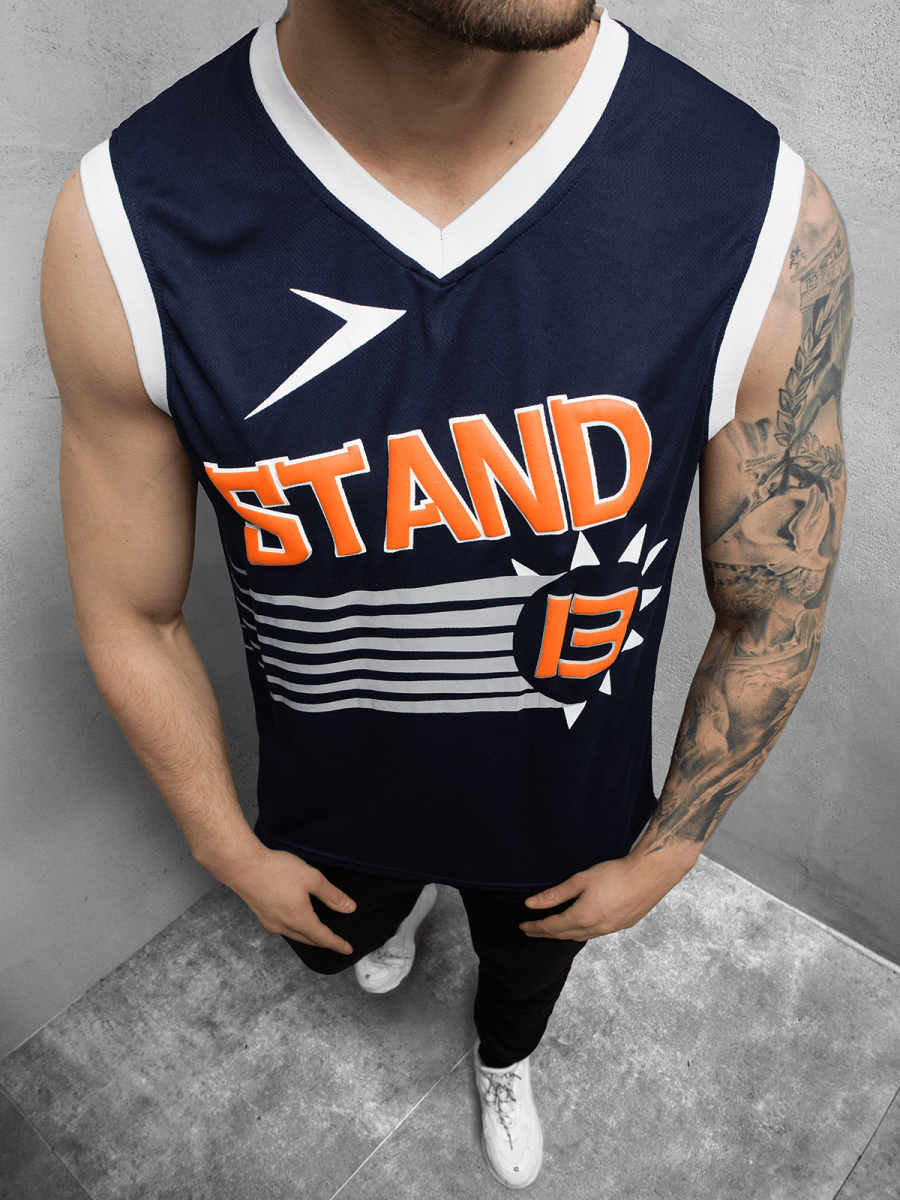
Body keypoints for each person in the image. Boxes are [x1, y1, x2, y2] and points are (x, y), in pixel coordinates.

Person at [41, 0, 850, 1188]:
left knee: (523, 985)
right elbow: (132, 613)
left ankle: (503, 1060)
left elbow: (775, 599)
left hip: (562, 817)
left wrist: (671, 850)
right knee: (340, 942)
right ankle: (406, 906)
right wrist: (225, 846)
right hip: (334, 806)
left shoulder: (760, 212)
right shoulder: (122, 225)